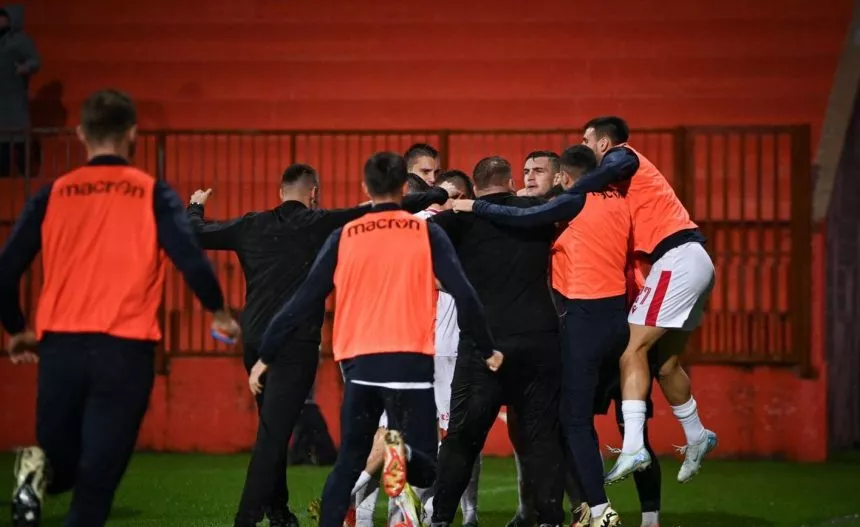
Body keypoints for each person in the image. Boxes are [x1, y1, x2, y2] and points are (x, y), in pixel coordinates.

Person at [0, 89, 239, 527]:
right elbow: (190, 258)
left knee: (61, 458)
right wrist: (219, 312)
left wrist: (16, 329)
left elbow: (5, 271)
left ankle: (39, 470)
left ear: (80, 134)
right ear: (132, 134)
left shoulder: (53, 193)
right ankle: (48, 474)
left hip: (60, 348)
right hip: (124, 351)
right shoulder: (151, 193)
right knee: (95, 485)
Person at [452, 116, 717, 487]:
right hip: (690, 260)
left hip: (675, 260)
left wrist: (479, 206)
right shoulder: (616, 194)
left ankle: (633, 449)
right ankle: (697, 434)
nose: (585, 146)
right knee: (666, 365)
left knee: (632, 352)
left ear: (603, 144)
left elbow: (540, 214)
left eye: (587, 140)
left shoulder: (623, 158)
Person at [186, 164, 450, 527]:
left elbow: (196, 233)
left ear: (280, 192)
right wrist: (435, 194)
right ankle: (246, 519)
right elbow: (383, 207)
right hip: (295, 344)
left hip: (256, 341)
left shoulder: (250, 225)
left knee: (273, 428)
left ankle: (278, 512)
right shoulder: (319, 223)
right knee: (273, 434)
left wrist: (195, 206)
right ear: (314, 193)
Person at [248, 152, 502, 527]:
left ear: (365, 188)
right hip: (411, 360)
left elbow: (303, 299)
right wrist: (486, 347)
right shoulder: (427, 232)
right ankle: (404, 460)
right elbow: (464, 293)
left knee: (350, 460)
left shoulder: (345, 234)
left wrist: (266, 354)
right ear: (405, 187)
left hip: (360, 362)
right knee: (429, 466)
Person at [453, 147, 626, 527]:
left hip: (567, 332)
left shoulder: (558, 209)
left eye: (540, 171)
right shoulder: (523, 212)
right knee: (529, 431)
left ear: (560, 177)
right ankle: (533, 510)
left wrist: (473, 205)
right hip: (543, 334)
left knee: (563, 427)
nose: (531, 176)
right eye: (527, 170)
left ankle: (587, 507)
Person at [430, 157, 566, 527]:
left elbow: (415, 239)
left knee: (462, 438)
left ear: (474, 188)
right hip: (538, 340)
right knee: (542, 437)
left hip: (484, 344)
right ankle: (550, 520)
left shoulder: (456, 219)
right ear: (511, 182)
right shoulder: (536, 211)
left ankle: (440, 519)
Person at [350, 169, 481, 527]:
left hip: (398, 342)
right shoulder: (452, 225)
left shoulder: (378, 227)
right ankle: (444, 509)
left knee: (391, 432)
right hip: (445, 347)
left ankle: (377, 509)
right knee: (455, 436)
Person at [0, 4, 40, 177]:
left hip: (14, 94)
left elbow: (35, 61)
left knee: (19, 136)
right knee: (2, 141)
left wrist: (24, 68)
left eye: (3, 17)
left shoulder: (22, 40)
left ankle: (26, 175)